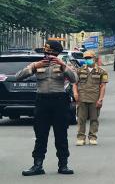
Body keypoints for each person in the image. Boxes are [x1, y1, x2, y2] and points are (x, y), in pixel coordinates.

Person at [17, 40, 77, 176]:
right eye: (46, 52)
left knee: (61, 135)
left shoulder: (64, 64)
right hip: (42, 101)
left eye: (50, 52)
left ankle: (63, 165)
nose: (48, 55)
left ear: (56, 53)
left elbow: (74, 79)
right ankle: (37, 165)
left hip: (59, 102)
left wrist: (63, 66)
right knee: (40, 135)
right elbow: (18, 76)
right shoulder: (37, 64)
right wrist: (33, 67)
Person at [74, 51, 108, 146]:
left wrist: (100, 99)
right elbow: (74, 84)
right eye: (86, 58)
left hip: (94, 98)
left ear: (94, 58)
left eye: (89, 58)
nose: (87, 60)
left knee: (94, 119)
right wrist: (75, 93)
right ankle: (81, 138)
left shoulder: (102, 72)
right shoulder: (79, 70)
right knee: (81, 119)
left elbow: (103, 86)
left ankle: (93, 137)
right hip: (82, 98)